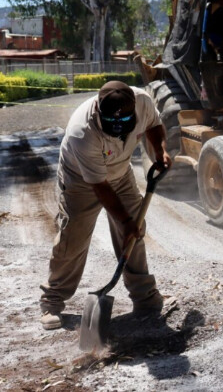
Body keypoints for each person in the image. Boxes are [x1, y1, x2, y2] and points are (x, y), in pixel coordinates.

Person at [39, 80, 171, 330]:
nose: (119, 127)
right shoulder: (82, 132)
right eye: (112, 123)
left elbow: (153, 124)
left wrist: (160, 151)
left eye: (124, 122)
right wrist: (125, 220)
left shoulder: (142, 100)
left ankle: (145, 298)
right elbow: (100, 187)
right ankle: (52, 301)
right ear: (99, 112)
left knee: (134, 235)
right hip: (80, 180)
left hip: (120, 174)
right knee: (73, 238)